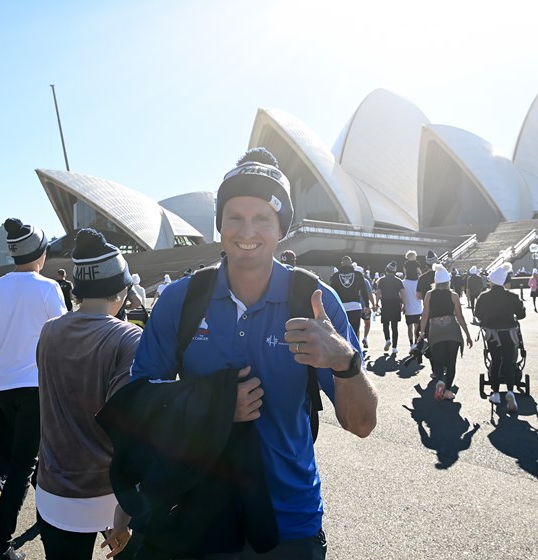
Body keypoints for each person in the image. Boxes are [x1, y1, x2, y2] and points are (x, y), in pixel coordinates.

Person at [128, 147, 377, 559]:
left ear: (281, 229)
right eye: (235, 217)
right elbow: (137, 402)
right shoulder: (181, 300)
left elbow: (362, 424)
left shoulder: (314, 300)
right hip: (196, 513)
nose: (248, 231)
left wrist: (344, 362)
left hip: (289, 520)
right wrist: (212, 406)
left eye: (263, 217)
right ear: (220, 225)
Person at [35, 229, 140, 560]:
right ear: (121, 290)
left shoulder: (49, 331)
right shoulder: (129, 339)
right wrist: (126, 513)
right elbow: (130, 432)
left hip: (53, 491)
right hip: (109, 493)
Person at [0, 218, 67, 560]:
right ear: (40, 254)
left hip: (2, 389)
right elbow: (61, 339)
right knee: (23, 467)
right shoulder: (48, 288)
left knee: (29, 460)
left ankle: (50, 516)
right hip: (37, 389)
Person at [474, 263, 526, 412]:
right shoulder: (512, 296)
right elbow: (521, 314)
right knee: (509, 362)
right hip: (509, 333)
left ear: (491, 281)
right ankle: (510, 391)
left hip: (492, 334)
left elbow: (477, 314)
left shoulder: (484, 296)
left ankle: (496, 393)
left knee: (496, 361)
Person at [417, 264, 472, 400]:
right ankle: (447, 390)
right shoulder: (453, 295)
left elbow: (425, 315)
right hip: (452, 330)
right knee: (451, 361)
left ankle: (440, 380)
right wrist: (467, 334)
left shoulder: (429, 295)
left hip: (436, 331)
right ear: (448, 281)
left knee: (438, 360)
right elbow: (460, 317)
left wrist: (421, 333)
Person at [330, 256, 370, 341]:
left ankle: (343, 348)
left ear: (342, 264)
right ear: (351, 263)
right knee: (354, 332)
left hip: (341, 306)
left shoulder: (335, 276)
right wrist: (367, 305)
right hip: (355, 306)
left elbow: (332, 292)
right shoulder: (358, 275)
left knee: (341, 332)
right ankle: (355, 348)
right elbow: (364, 290)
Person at [376, 261, 405, 354]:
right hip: (396, 304)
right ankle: (394, 347)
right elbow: (403, 294)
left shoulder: (381, 280)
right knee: (394, 326)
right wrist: (404, 304)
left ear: (386, 270)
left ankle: (388, 339)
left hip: (385, 303)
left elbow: (378, 292)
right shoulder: (399, 281)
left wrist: (376, 303)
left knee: (385, 324)